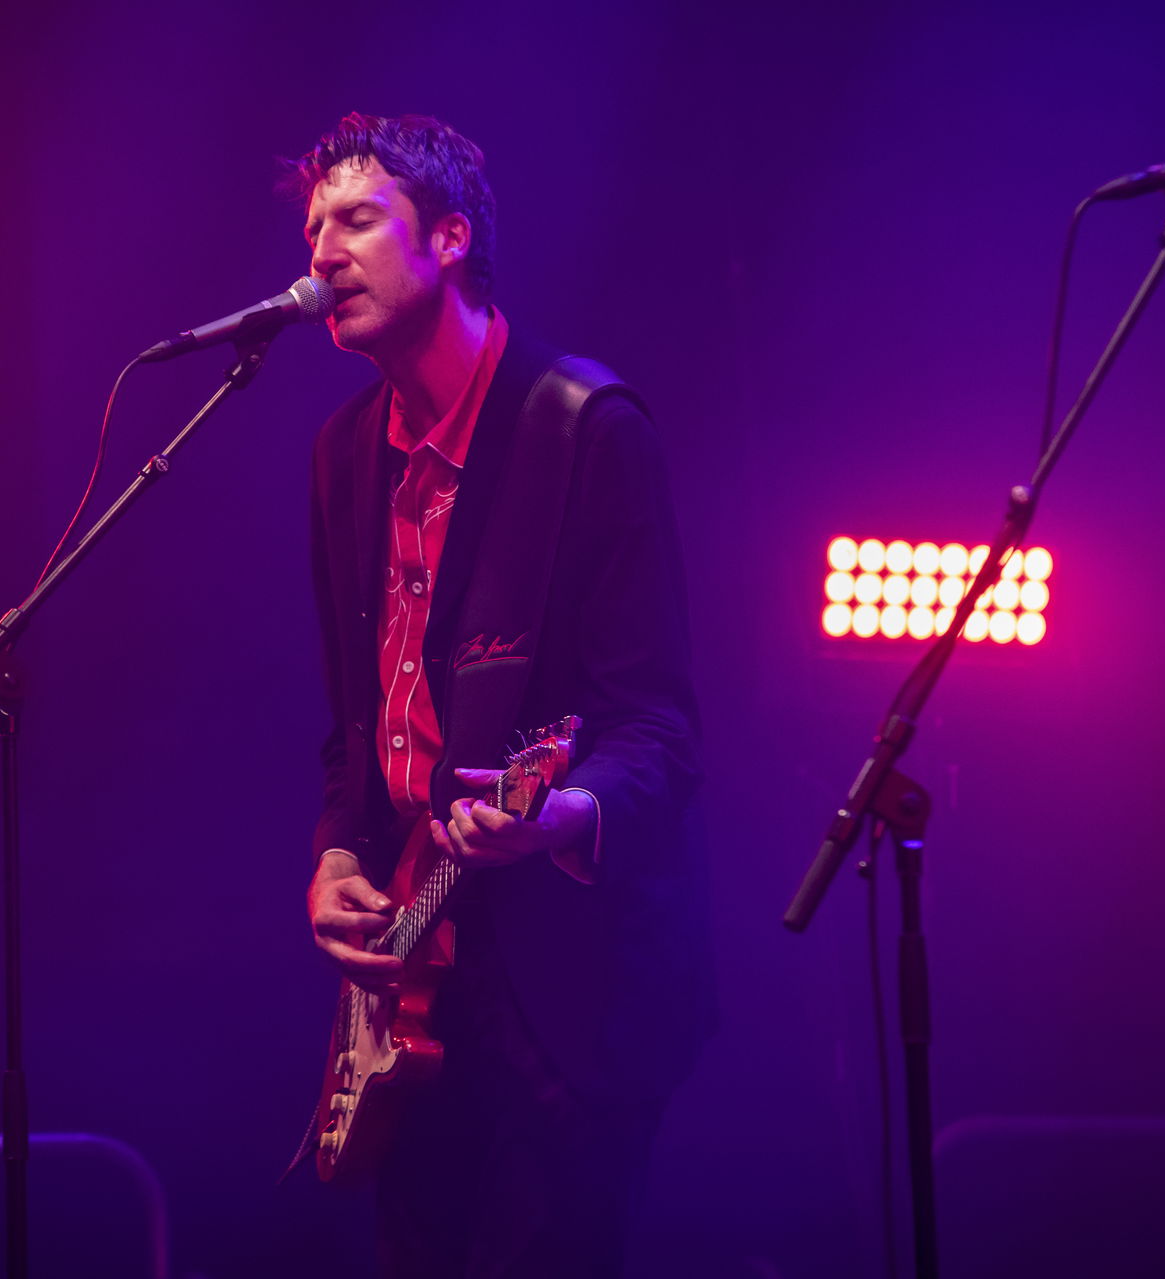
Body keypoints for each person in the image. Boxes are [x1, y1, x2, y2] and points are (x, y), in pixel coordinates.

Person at [291, 112, 713, 1277]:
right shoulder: (341, 454)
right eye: (314, 225)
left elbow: (656, 730)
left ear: (453, 238)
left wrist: (563, 814)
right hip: (415, 978)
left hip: (566, 991)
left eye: (359, 219)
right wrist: (338, 852)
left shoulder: (582, 428)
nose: (322, 252)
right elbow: (354, 722)